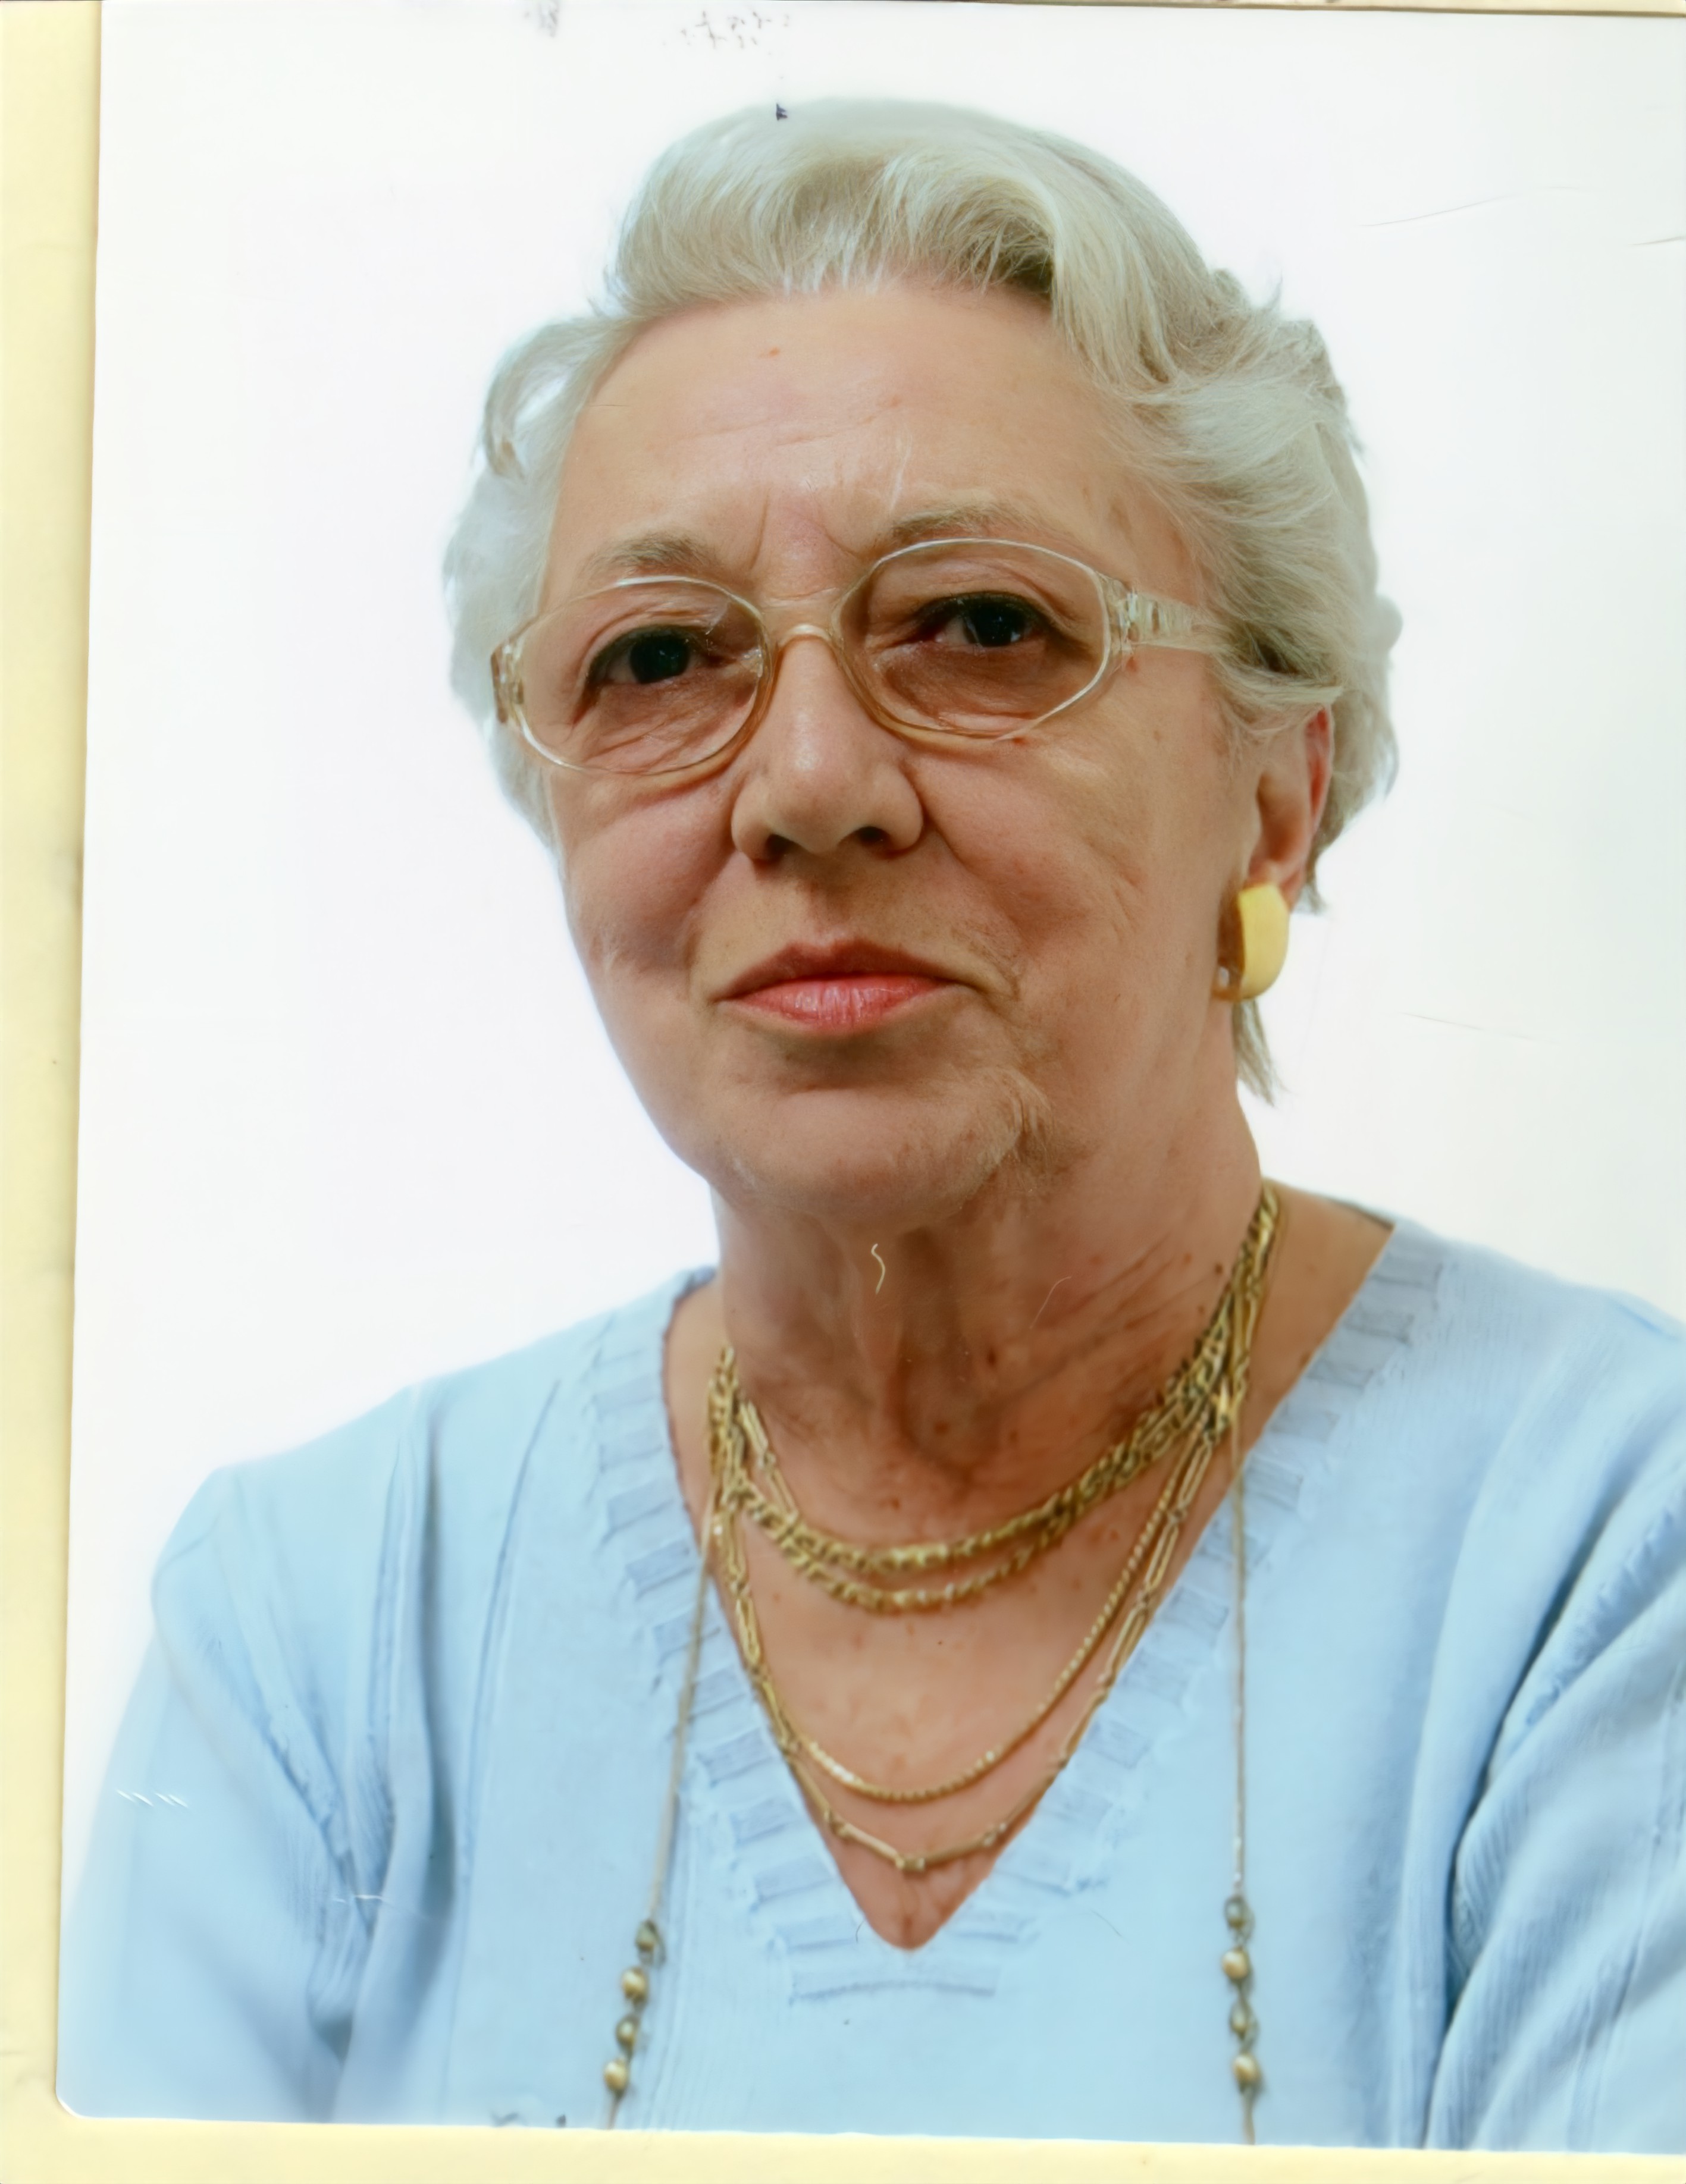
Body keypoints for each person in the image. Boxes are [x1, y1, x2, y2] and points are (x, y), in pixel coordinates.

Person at [59, 101, 1684, 2149]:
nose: (809, 785)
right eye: (660, 658)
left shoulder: (1608, 1557)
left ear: (1275, 789)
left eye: (982, 627)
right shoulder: (315, 1629)